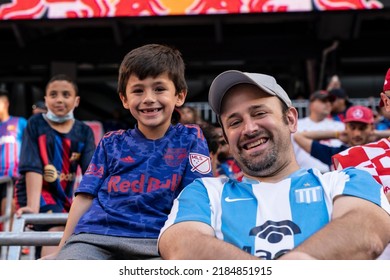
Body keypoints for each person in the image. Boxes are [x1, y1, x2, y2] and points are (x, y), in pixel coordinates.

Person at [158, 70, 390, 260]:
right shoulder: (204, 192)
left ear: (290, 119)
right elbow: (181, 246)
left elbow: (366, 231)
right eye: (235, 121)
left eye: (259, 113)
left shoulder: (346, 180)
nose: (249, 129)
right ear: (226, 138)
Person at [45, 44, 213, 260]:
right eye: (138, 90)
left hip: (158, 241)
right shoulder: (110, 142)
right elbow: (84, 197)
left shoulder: (191, 137)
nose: (148, 98)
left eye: (159, 89)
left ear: (179, 95)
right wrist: (61, 251)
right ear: (124, 99)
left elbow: (197, 195)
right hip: (95, 238)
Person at [14, 74, 96, 258]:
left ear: (76, 101)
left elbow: (92, 171)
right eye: (53, 95)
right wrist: (33, 207)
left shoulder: (84, 131)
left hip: (64, 194)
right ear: (46, 100)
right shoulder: (36, 123)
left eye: (66, 95)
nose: (59, 99)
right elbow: (32, 165)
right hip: (35, 191)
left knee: (67, 233)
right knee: (57, 227)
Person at [293, 105, 376, 168]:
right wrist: (336, 135)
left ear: (372, 128)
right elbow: (298, 136)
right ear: (345, 128)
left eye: (362, 128)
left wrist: (374, 134)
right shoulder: (337, 153)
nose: (357, 133)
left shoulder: (380, 149)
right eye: (352, 128)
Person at [292, 90, 345, 173]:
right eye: (323, 101)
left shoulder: (339, 126)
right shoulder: (296, 125)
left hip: (332, 175)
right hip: (304, 174)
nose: (328, 104)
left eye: (330, 101)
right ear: (311, 104)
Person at [0, 89, 27, 230]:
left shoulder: (19, 123)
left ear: (5, 103)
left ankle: (8, 249)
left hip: (12, 177)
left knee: (8, 210)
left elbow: (31, 145)